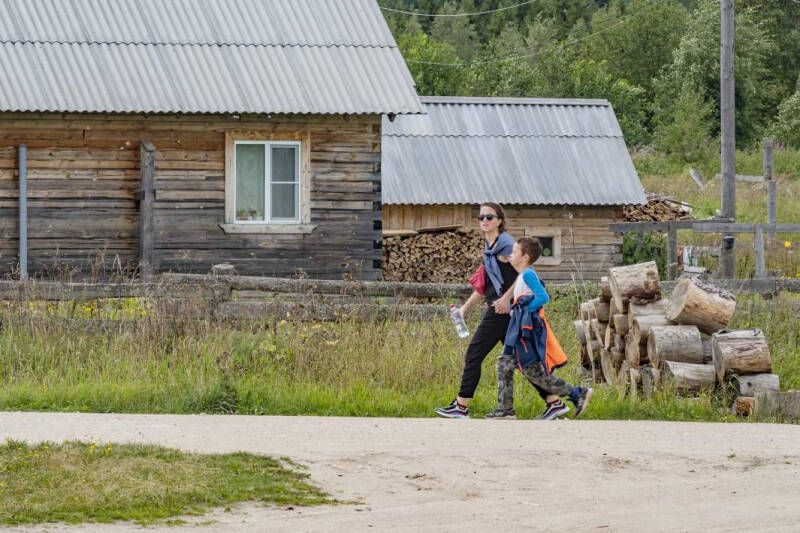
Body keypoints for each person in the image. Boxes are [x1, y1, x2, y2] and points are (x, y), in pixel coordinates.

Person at [435, 203, 551, 419]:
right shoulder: (490, 248)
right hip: (501, 309)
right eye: (481, 217)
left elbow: (525, 272)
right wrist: (464, 309)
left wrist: (506, 299)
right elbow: (485, 285)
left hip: (501, 311)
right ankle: (553, 402)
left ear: (499, 220)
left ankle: (461, 407)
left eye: (489, 217)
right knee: (521, 358)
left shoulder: (506, 244)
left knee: (474, 353)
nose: (484, 221)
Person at [498, 237, 593, 419]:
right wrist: (514, 311)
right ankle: (505, 409)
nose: (511, 254)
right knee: (504, 363)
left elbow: (543, 297)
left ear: (525, 257)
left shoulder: (528, 274)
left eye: (515, 252)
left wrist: (526, 311)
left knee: (532, 372)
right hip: (517, 329)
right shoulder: (522, 275)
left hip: (527, 331)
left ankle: (576, 393)